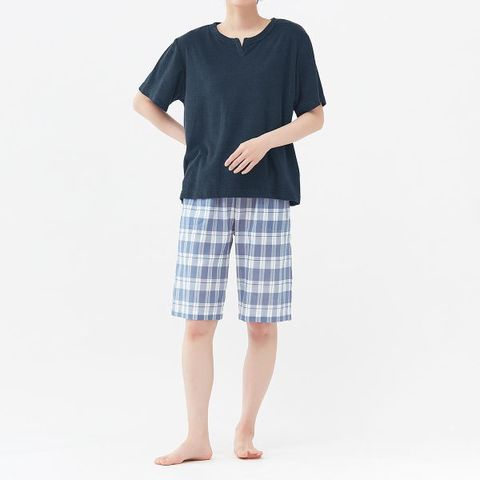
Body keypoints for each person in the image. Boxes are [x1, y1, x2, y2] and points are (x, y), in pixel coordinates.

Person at [133, 0, 326, 466]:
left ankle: (246, 426)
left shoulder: (291, 39)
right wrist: (196, 143)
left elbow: (314, 116)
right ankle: (196, 437)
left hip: (268, 194)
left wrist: (265, 142)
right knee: (198, 321)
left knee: (261, 322)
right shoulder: (191, 46)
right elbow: (144, 102)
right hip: (204, 194)